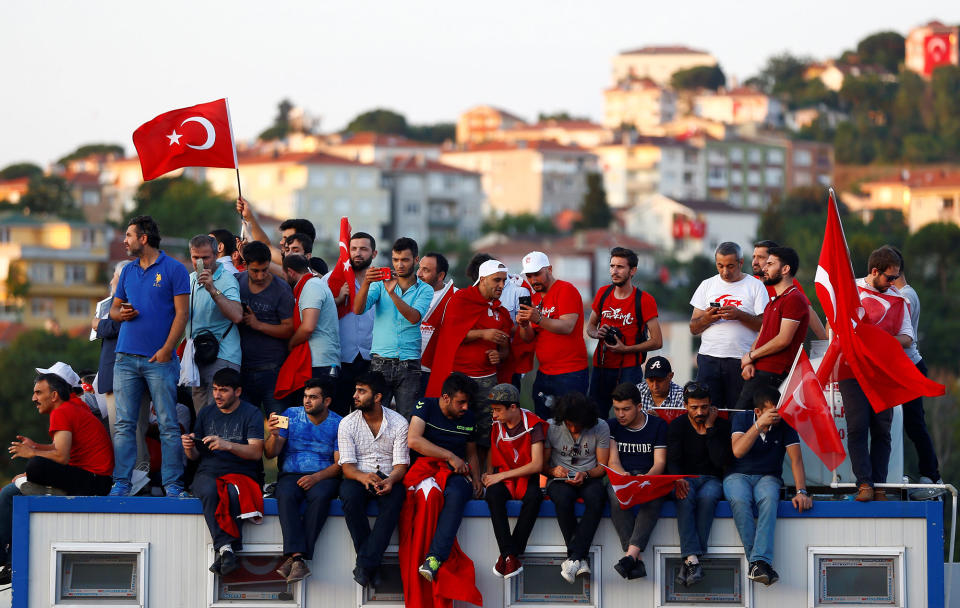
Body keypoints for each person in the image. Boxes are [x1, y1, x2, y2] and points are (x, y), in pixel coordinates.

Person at [0, 372, 115, 583]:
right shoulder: (74, 406)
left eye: (38, 393)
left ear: (54, 395)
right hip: (95, 478)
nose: (33, 398)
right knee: (14, 489)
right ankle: (8, 563)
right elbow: (61, 449)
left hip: (93, 482)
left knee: (32, 469)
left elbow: (61, 457)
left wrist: (33, 453)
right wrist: (35, 446)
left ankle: (5, 560)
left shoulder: (62, 412)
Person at [109, 215, 190, 497]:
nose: (125, 241)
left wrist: (168, 350)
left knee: (168, 424)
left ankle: (173, 485)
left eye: (129, 235)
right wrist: (122, 313)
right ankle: (122, 482)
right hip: (126, 358)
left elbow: (182, 314)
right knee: (124, 425)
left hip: (161, 360)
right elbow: (114, 310)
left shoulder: (174, 269)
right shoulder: (129, 271)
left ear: (143, 238)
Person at [841, 246, 915, 502]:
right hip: (852, 370)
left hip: (884, 372)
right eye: (890, 277)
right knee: (857, 426)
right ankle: (864, 484)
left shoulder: (898, 299)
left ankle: (880, 484)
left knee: (882, 429)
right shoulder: (850, 289)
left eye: (895, 277)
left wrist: (880, 340)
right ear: (875, 271)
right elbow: (833, 324)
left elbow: (907, 337)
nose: (894, 282)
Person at [724, 385, 812, 586]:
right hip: (737, 474)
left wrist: (801, 491)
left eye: (777, 411)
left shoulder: (785, 423)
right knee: (739, 500)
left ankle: (758, 563)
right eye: (771, 412)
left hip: (768, 476)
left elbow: (796, 459)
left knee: (769, 499)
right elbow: (737, 451)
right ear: (758, 411)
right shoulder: (743, 418)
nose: (776, 416)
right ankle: (759, 563)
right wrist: (758, 426)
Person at [424, 259, 512, 454]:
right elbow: (449, 334)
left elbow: (505, 349)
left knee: (485, 431)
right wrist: (483, 334)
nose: (501, 285)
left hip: (487, 380)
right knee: (452, 428)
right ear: (482, 279)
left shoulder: (501, 311)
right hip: (459, 378)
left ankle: (481, 476)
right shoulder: (461, 299)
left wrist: (499, 355)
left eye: (504, 281)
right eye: (496, 280)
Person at [182, 368, 264, 576]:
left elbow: (256, 452)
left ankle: (225, 550)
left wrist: (227, 445)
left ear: (238, 392)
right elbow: (195, 457)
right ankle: (227, 548)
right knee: (209, 489)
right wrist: (189, 447)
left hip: (241, 472)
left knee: (231, 493)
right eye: (215, 389)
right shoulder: (206, 412)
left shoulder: (252, 413)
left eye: (224, 390)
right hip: (208, 471)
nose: (217, 395)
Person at [406, 373, 483, 581]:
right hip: (424, 469)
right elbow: (413, 440)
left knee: (458, 493)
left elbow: (472, 453)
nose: (465, 407)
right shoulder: (425, 406)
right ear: (445, 397)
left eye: (468, 402)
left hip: (455, 474)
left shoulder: (469, 417)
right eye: (461, 402)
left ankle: (434, 558)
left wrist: (476, 479)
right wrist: (449, 456)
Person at [265, 378, 342, 583]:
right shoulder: (290, 414)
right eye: (305, 396)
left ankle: (295, 558)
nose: (307, 401)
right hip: (291, 474)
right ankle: (298, 558)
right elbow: (271, 453)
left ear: (327, 401)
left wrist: (316, 477)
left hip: (324, 475)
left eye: (313, 397)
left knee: (321, 497)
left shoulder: (339, 423)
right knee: (286, 494)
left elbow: (340, 464)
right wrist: (273, 435)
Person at [338, 371, 410, 586]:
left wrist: (390, 480)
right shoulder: (347, 423)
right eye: (356, 391)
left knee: (395, 499)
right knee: (349, 498)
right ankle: (371, 565)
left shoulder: (399, 423)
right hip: (359, 476)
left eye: (362, 391)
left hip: (389, 476)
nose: (355, 396)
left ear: (378, 397)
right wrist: (362, 477)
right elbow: (347, 467)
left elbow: (401, 465)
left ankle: (365, 565)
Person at [354, 237, 433, 418]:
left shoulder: (425, 289)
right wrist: (366, 283)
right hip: (381, 360)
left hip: (409, 363)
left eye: (405, 260)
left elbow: (414, 317)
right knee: (373, 417)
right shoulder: (379, 284)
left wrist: (392, 294)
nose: (399, 265)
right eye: (396, 260)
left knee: (406, 419)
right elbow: (357, 310)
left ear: (416, 260)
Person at [890, 247, 944, 499]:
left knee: (914, 423)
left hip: (909, 367)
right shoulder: (899, 295)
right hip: (902, 368)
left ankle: (931, 475)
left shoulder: (906, 296)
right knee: (903, 423)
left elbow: (905, 337)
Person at [667, 381, 732, 587]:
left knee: (708, 498)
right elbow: (673, 460)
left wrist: (711, 428)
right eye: (694, 407)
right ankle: (693, 560)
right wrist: (678, 479)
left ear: (711, 405)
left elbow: (720, 461)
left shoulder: (721, 426)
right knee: (684, 497)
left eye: (704, 406)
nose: (700, 411)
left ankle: (690, 560)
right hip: (685, 477)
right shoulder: (677, 426)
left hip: (712, 479)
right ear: (686, 406)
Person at [689, 242, 768, 409]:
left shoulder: (755, 286)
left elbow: (764, 326)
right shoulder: (707, 285)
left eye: (730, 266)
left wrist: (739, 315)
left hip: (740, 360)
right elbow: (693, 328)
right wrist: (707, 319)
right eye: (720, 266)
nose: (725, 271)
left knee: (738, 411)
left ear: (741, 262)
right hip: (708, 358)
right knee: (707, 410)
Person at [94, 261, 151, 494]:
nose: (110, 283)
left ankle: (136, 477)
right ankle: (138, 476)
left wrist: (100, 324)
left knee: (125, 429)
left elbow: (122, 328)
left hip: (125, 374)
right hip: (129, 373)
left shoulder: (135, 301)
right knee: (133, 427)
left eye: (114, 278)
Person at [543, 392, 610, 584]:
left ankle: (573, 558)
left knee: (597, 498)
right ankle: (579, 558)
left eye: (577, 425)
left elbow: (602, 467)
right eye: (569, 424)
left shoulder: (600, 426)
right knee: (563, 499)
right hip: (559, 479)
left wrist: (586, 474)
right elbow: (542, 465)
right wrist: (553, 471)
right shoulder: (552, 426)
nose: (573, 429)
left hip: (589, 476)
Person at [587, 247, 662, 415]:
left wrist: (625, 349)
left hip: (629, 368)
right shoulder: (603, 293)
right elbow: (590, 327)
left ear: (632, 271)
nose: (614, 271)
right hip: (602, 365)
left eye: (620, 267)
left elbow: (657, 341)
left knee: (629, 415)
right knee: (596, 416)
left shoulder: (644, 300)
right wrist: (597, 333)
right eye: (612, 266)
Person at [483, 383, 546, 579]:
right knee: (493, 494)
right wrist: (488, 473)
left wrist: (499, 476)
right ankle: (510, 555)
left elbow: (537, 465)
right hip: (506, 475)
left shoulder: (533, 425)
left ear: (513, 407)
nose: (494, 415)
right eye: (493, 410)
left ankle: (509, 554)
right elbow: (492, 450)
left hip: (527, 477)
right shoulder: (496, 424)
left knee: (535, 497)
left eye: (498, 410)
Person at [606, 383, 668, 580]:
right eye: (616, 409)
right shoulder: (611, 426)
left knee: (652, 499)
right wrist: (623, 476)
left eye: (626, 409)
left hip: (649, 475)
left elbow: (660, 462)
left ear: (639, 407)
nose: (620, 414)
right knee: (617, 499)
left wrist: (646, 478)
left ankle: (629, 557)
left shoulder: (658, 425)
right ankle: (634, 557)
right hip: (622, 476)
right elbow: (613, 461)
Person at [735, 247, 810, 410]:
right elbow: (761, 335)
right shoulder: (773, 301)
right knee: (742, 418)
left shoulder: (794, 299)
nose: (764, 268)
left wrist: (751, 355)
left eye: (770, 264)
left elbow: (784, 339)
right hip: (759, 370)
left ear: (785, 269)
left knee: (742, 416)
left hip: (773, 373)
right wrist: (750, 362)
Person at [517, 251, 588, 420]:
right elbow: (528, 338)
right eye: (529, 275)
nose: (533, 280)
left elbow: (567, 326)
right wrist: (524, 324)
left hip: (570, 372)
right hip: (544, 372)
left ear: (549, 269)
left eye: (537, 274)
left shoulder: (565, 290)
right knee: (543, 423)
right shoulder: (532, 298)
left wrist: (538, 318)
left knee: (572, 423)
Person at [236, 241, 295, 416]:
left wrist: (258, 324)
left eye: (265, 270)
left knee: (280, 425)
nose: (261, 276)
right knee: (245, 426)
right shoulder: (236, 283)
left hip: (272, 370)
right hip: (242, 369)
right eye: (255, 271)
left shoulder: (282, 289)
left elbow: (289, 329)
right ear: (245, 265)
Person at [187, 234, 243, 412]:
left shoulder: (227, 280)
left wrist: (213, 289)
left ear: (216, 255)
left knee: (217, 416)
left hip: (222, 356)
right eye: (196, 257)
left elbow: (237, 316)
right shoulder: (190, 279)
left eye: (205, 257)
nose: (200, 262)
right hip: (196, 356)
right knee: (201, 417)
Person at [322, 231, 377, 416]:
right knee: (337, 413)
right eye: (353, 249)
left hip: (371, 358)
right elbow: (318, 316)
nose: (357, 253)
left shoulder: (382, 282)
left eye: (363, 249)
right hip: (340, 358)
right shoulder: (331, 279)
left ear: (374, 254)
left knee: (367, 415)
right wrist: (338, 299)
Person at [752, 240, 826, 340]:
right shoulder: (749, 284)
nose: (755, 262)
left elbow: (809, 313)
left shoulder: (787, 283)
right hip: (755, 349)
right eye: (754, 257)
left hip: (784, 350)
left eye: (761, 257)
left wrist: (826, 342)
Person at [283, 254, 341, 379]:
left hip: (320, 363)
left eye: (284, 274)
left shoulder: (311, 286)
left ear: (290, 272)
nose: (284, 278)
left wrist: (291, 344)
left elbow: (308, 327)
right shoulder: (312, 284)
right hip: (318, 361)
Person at [416, 252, 456, 395]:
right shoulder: (407, 292)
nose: (419, 274)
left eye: (425, 270)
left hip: (438, 370)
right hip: (409, 368)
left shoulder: (455, 297)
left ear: (440, 276)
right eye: (419, 268)